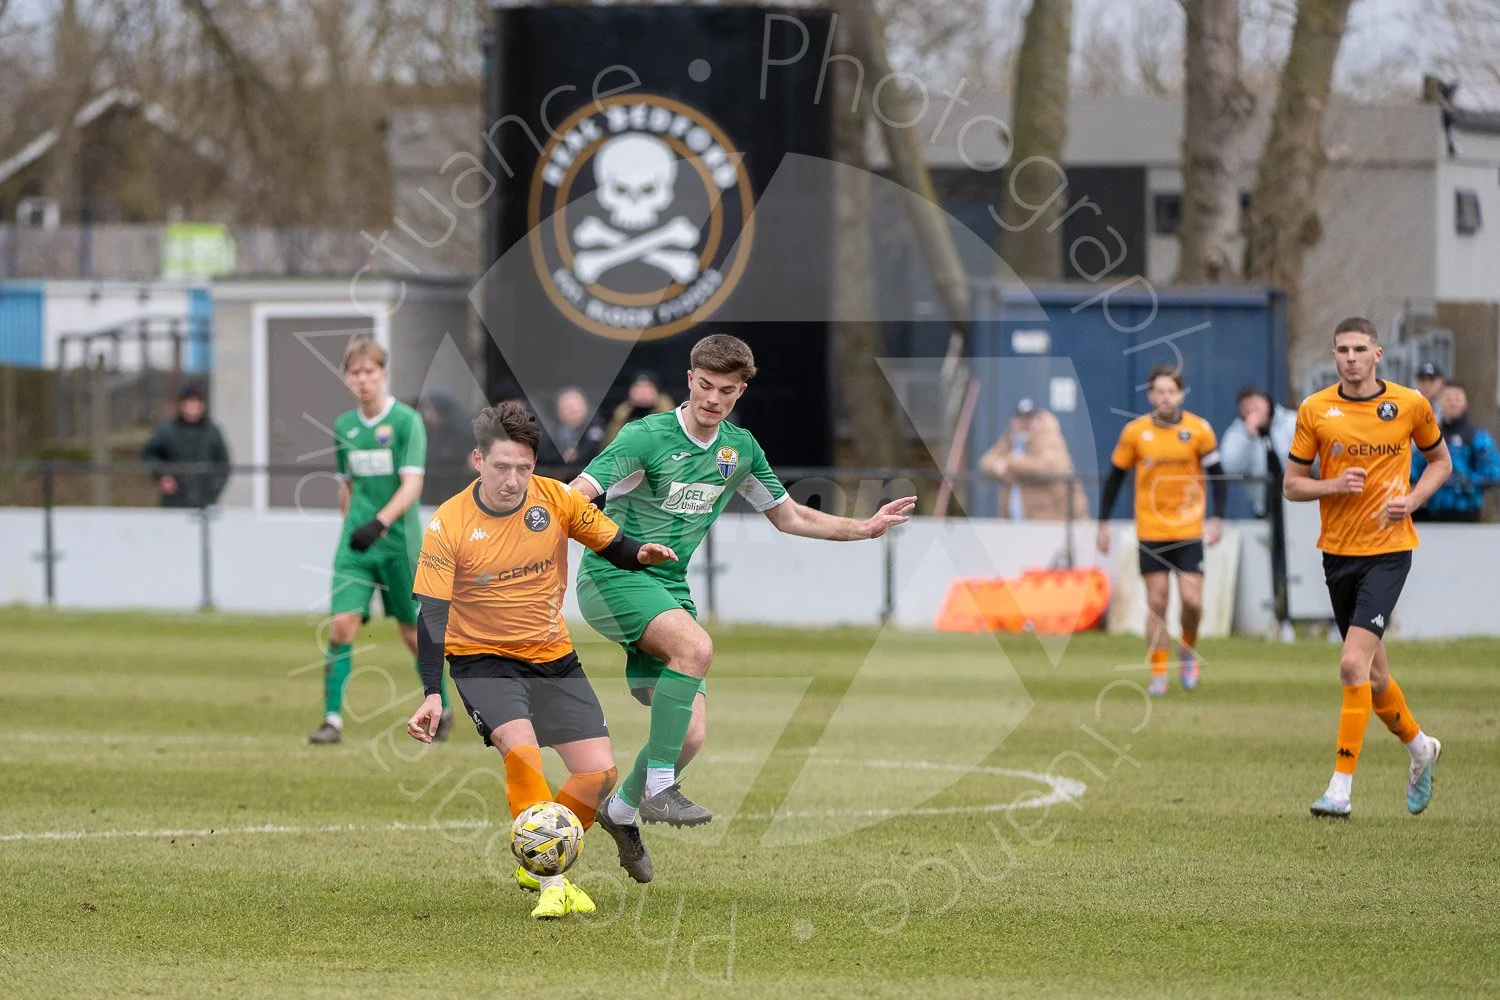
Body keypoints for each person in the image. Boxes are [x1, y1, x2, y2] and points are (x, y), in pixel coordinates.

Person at [569, 334, 915, 883]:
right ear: (689, 379)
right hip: (614, 575)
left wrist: (865, 528)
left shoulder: (739, 450)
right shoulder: (645, 435)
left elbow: (790, 517)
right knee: (697, 647)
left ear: (740, 391)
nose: (712, 399)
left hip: (668, 589)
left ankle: (621, 810)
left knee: (690, 736)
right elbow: (577, 494)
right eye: (704, 386)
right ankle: (660, 788)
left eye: (725, 391)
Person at [405, 402, 679, 919]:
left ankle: (533, 862)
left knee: (598, 777)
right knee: (524, 754)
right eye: (501, 467)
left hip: (553, 657)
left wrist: (640, 552)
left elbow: (612, 542)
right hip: (482, 660)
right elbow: (431, 616)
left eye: (523, 468)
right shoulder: (449, 524)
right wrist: (432, 692)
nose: (512, 480)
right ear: (477, 459)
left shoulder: (554, 499)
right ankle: (553, 884)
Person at [1284, 316, 1448, 820]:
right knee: (1375, 678)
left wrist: (1414, 499)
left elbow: (1440, 462)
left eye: (1359, 349)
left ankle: (1340, 787)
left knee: (1352, 665)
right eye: (1342, 350)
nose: (1350, 357)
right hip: (1337, 554)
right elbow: (1292, 485)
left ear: (1378, 354)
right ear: (1334, 357)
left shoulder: (1409, 405)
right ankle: (1421, 747)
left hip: (1390, 550)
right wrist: (1332, 486)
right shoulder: (1316, 410)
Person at [310, 340, 452, 745]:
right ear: (347, 378)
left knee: (413, 634)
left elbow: (412, 485)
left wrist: (379, 522)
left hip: (400, 544)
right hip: (357, 546)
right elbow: (346, 487)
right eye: (355, 373)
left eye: (370, 371)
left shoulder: (407, 421)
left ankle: (439, 706)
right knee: (341, 625)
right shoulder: (344, 427)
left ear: (383, 374)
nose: (363, 379)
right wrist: (352, 527)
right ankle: (332, 720)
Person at [1097, 364, 1228, 697]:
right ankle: (1158, 673)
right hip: (1152, 530)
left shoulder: (1199, 430)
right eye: (1160, 391)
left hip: (1187, 528)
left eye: (1172, 391)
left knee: (1192, 601)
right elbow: (1114, 479)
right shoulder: (1135, 433)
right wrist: (1103, 523)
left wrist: (1217, 517)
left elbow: (1218, 475)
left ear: (1181, 395)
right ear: (1151, 395)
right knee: (1157, 602)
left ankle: (1187, 649)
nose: (1166, 397)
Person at [978, 398, 1089, 521]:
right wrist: (997, 467)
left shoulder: (1049, 436)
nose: (1026, 424)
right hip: (1015, 520)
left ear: (1038, 419)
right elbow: (986, 461)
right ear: (1014, 421)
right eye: (1022, 419)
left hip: (1051, 521)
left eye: (1030, 419)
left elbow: (1049, 466)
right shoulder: (1011, 438)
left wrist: (1009, 464)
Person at [1411, 382, 1500, 523]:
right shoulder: (1431, 434)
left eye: (1457, 399)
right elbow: (1413, 468)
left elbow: (1493, 473)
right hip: (1432, 514)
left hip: (1467, 513)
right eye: (1448, 399)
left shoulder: (1477, 436)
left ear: (1465, 403)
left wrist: (1463, 483)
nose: (1453, 403)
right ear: (1440, 402)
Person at [141, 383, 231, 508]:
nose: (192, 407)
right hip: (173, 501)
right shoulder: (166, 430)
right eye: (189, 403)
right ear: (181, 405)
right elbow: (150, 455)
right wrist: (162, 476)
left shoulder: (213, 432)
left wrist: (212, 489)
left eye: (196, 403)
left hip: (204, 503)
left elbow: (223, 464)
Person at [1219, 387, 1297, 518]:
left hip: (1299, 505)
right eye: (1246, 408)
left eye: (1255, 404)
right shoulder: (1238, 432)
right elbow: (1228, 468)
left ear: (1267, 403)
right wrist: (1248, 436)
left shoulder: (1292, 422)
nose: (1252, 410)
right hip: (1264, 508)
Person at [418, 389, 478, 505]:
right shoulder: (430, 430)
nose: (426, 414)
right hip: (435, 492)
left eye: (430, 409)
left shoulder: (468, 429)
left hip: (462, 490)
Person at [536, 386, 606, 473]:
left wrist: (576, 455)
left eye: (576, 406)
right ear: (558, 411)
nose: (573, 411)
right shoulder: (550, 429)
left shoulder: (596, 426)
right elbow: (543, 453)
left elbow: (592, 450)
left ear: (586, 406)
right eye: (567, 407)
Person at [604, 371, 675, 444]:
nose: (643, 391)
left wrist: (664, 408)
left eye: (648, 386)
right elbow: (609, 446)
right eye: (637, 386)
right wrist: (619, 418)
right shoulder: (622, 416)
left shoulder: (668, 414)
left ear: (657, 391)